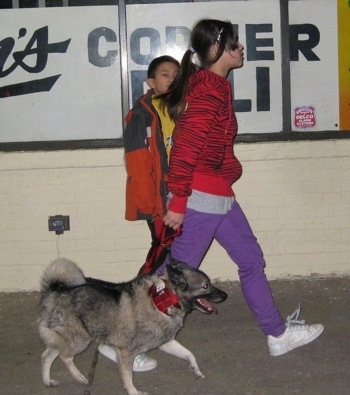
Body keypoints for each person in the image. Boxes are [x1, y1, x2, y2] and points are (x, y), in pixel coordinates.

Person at [158, 18, 324, 356]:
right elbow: (186, 145)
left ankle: (277, 334)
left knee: (250, 259)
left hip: (218, 195)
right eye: (235, 43)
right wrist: (178, 202)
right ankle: (125, 339)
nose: (241, 48)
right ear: (218, 49)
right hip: (201, 197)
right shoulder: (209, 88)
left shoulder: (212, 85)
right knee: (170, 279)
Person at [98, 55, 180, 370]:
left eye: (175, 74)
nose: (170, 79)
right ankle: (116, 337)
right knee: (155, 262)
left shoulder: (174, 110)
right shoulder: (141, 116)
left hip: (177, 199)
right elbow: (137, 166)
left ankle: (153, 316)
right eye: (164, 74)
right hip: (160, 203)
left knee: (165, 261)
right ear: (150, 82)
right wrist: (154, 208)